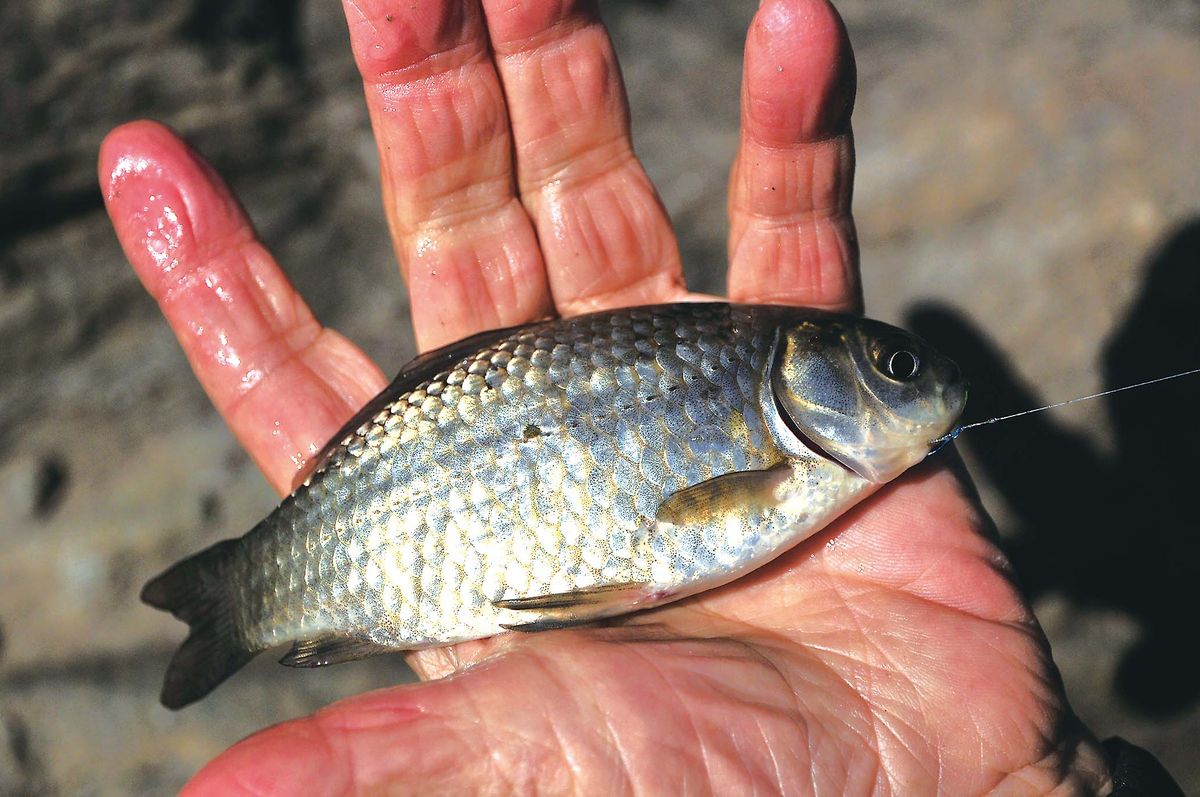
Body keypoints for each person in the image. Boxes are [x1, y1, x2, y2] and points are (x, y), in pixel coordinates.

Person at [99, 0, 1181, 793]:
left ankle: (249, 593)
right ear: (802, 372)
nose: (925, 386)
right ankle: (247, 591)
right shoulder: (786, 447)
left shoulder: (810, 452)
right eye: (888, 368)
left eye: (896, 367)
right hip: (420, 496)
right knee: (270, 591)